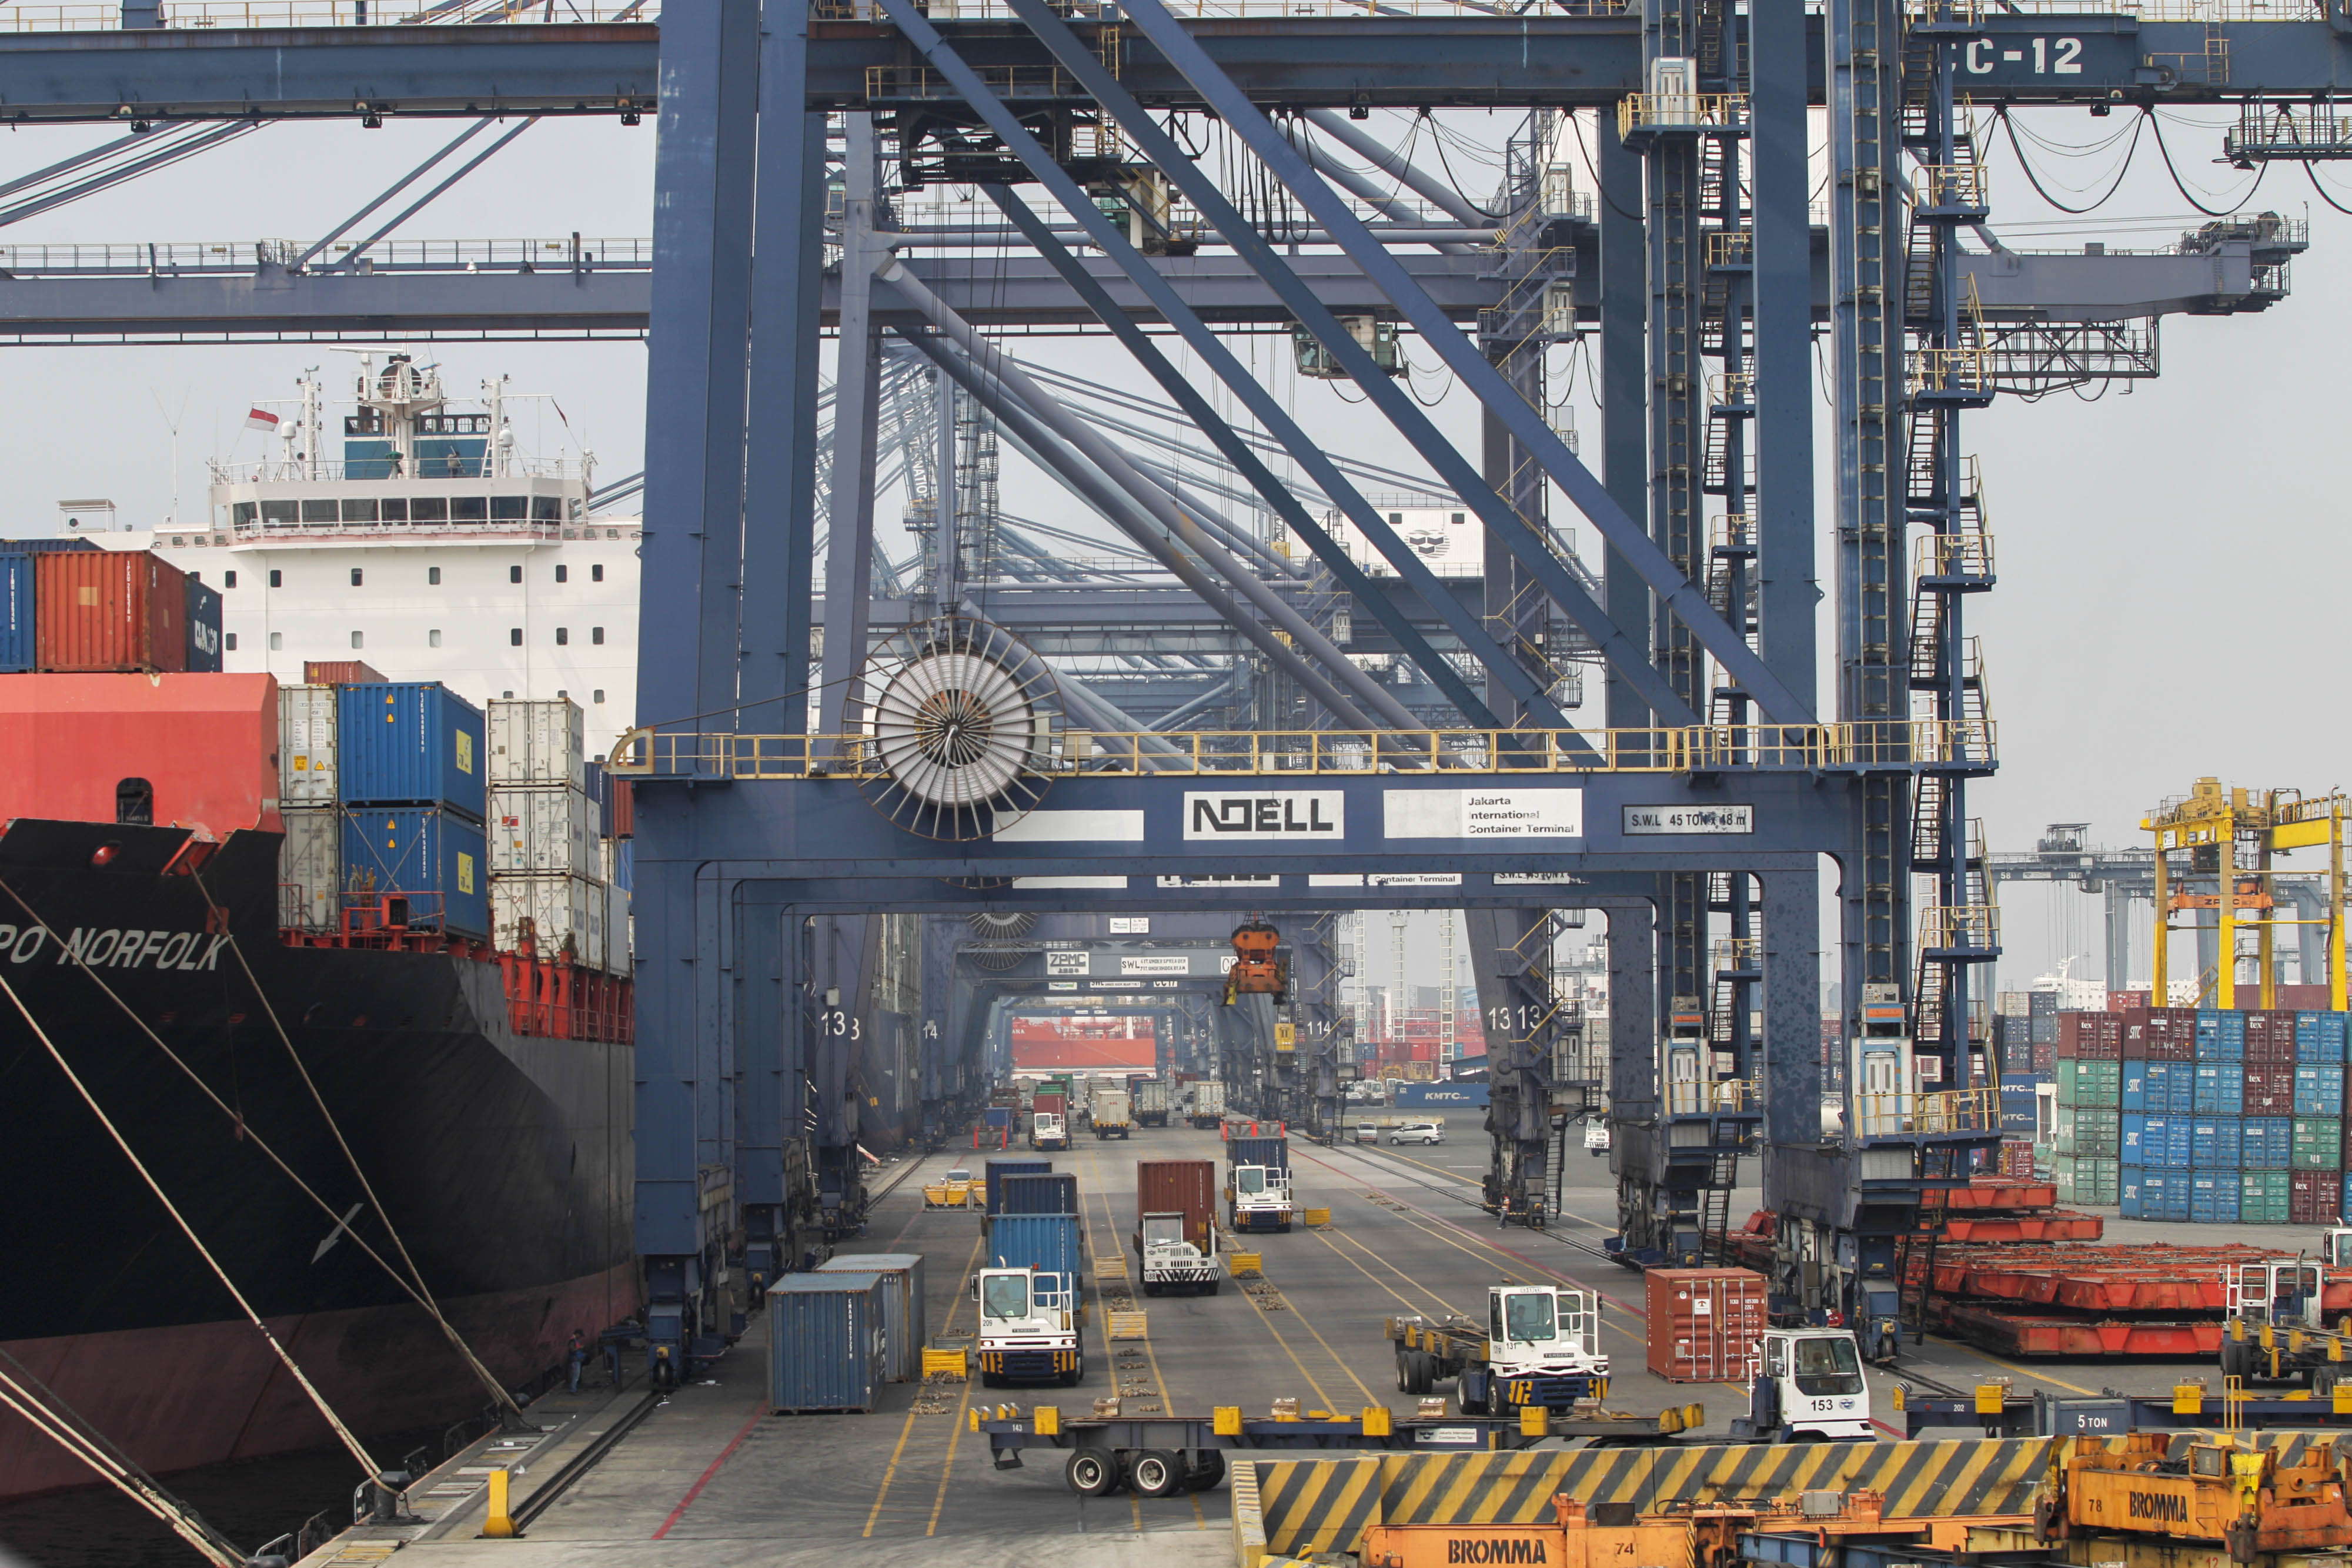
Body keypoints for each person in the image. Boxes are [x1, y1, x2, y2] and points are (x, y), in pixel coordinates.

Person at [566, 1329, 588, 1395]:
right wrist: (580, 1348)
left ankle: (574, 1389)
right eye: (580, 1335)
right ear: (577, 1334)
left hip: (577, 1360)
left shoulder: (575, 1340)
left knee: (576, 1375)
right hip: (575, 1360)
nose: (580, 1337)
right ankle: (573, 1390)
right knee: (575, 1375)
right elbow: (572, 1350)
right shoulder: (572, 1341)